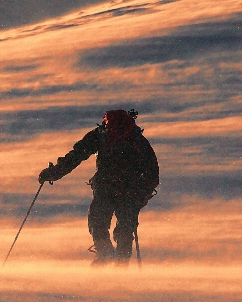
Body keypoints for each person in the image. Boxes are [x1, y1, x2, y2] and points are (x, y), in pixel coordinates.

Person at [39, 109, 159, 265]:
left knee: (98, 222)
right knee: (125, 227)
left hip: (105, 187)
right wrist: (143, 194)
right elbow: (152, 171)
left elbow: (77, 155)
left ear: (105, 122)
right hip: (131, 191)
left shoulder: (101, 135)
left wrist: (54, 173)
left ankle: (104, 253)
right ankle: (122, 265)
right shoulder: (137, 139)